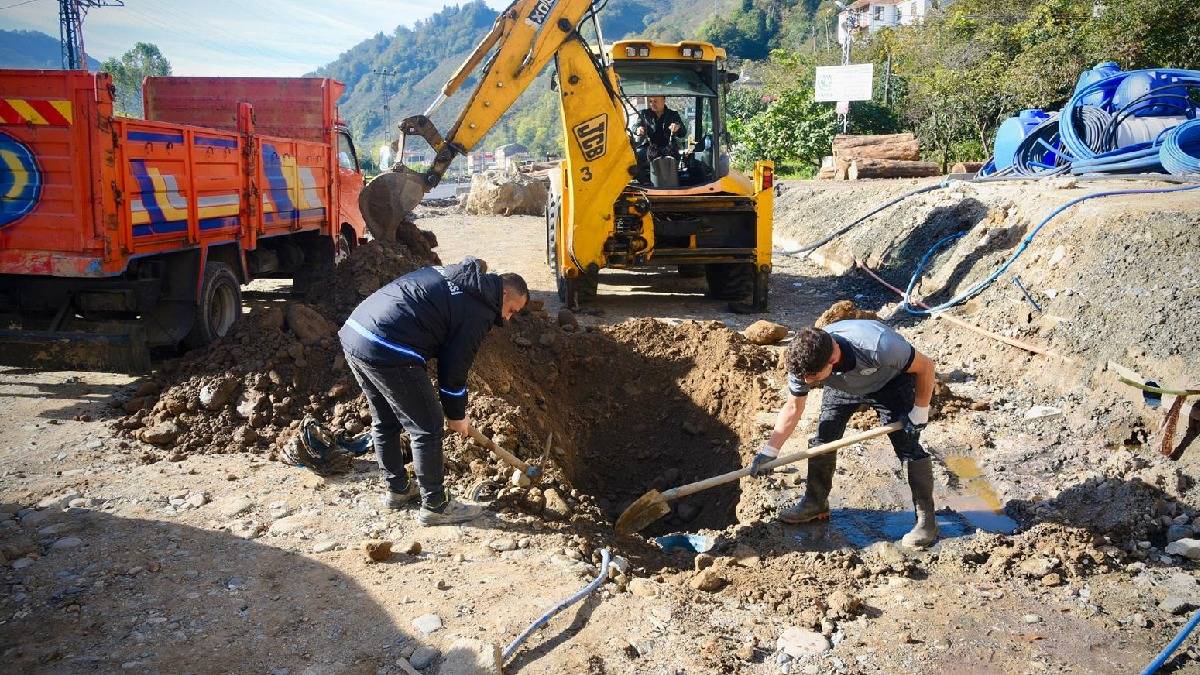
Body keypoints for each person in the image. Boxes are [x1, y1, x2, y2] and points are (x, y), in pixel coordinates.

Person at [338, 257, 529, 526]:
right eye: (512, 310)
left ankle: (398, 490)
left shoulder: (455, 276)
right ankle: (436, 506)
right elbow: (454, 365)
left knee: (386, 418)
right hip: (388, 346)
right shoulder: (479, 310)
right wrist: (456, 414)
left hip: (356, 332)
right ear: (505, 292)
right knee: (427, 426)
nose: (508, 318)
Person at [748, 320, 939, 548]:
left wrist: (920, 411)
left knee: (907, 445)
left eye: (813, 377)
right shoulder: (804, 360)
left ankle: (926, 521)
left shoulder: (880, 346)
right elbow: (792, 407)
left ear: (832, 359)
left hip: (890, 383)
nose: (807, 382)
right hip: (842, 387)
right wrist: (770, 451)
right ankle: (815, 502)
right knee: (824, 439)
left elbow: (926, 366)